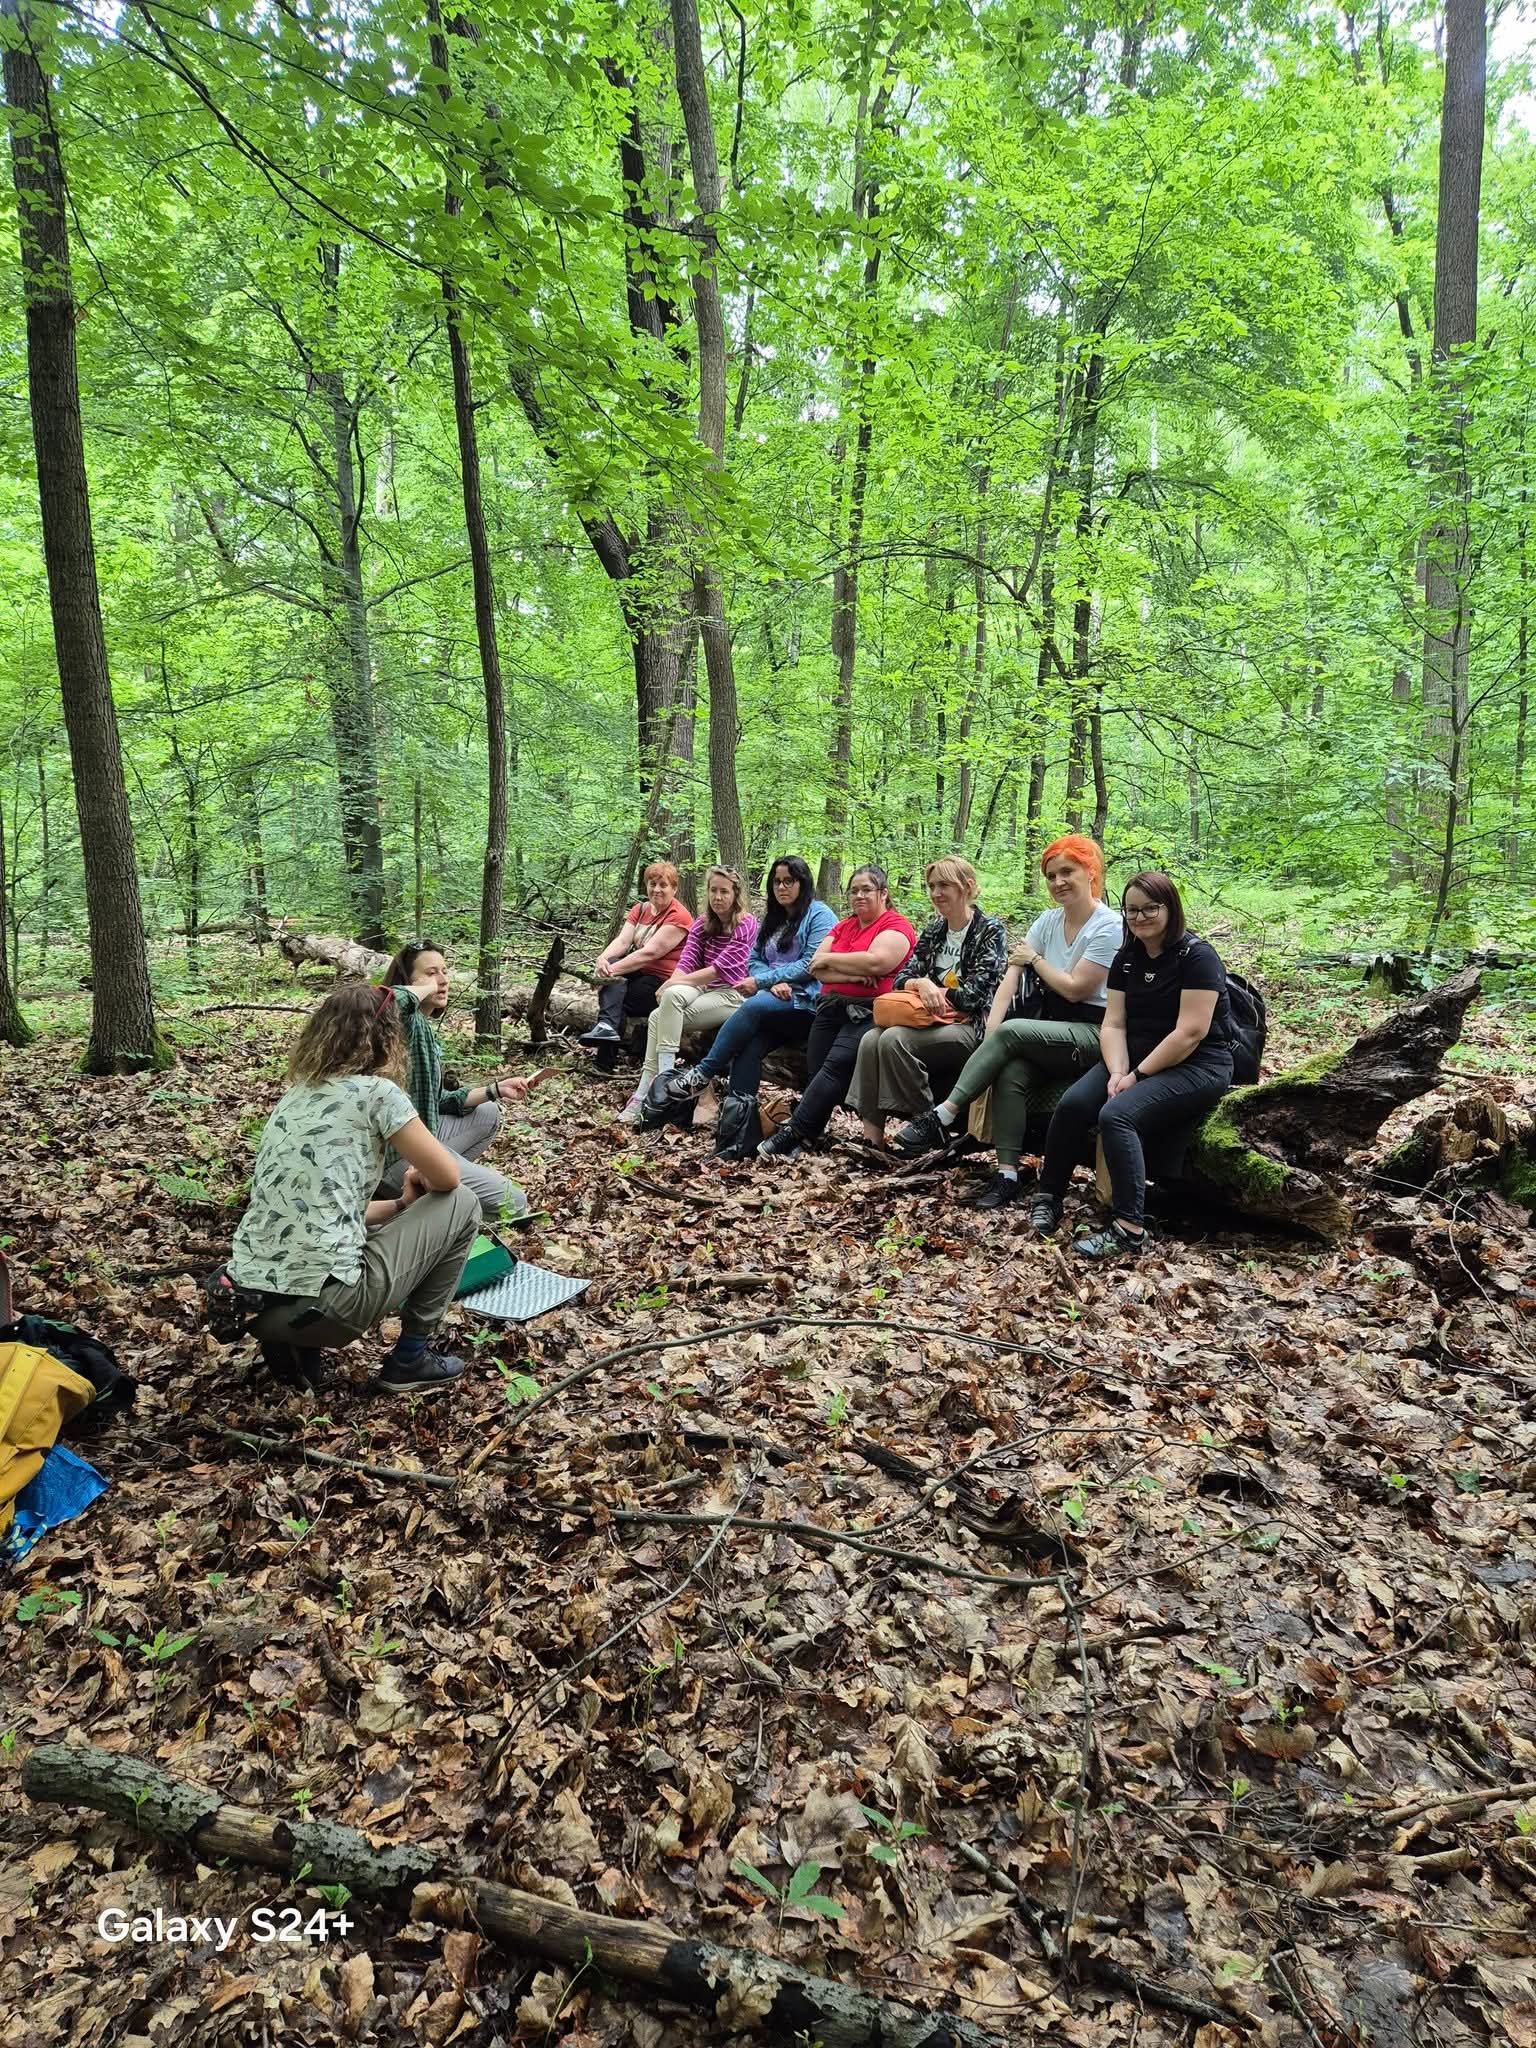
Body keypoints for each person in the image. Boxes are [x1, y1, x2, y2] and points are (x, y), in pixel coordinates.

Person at [229, 983, 481, 1392]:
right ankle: (412, 1357)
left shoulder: (295, 1096)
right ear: (387, 1037)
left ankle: (294, 1343)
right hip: (331, 1308)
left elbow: (324, 1211)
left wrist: (402, 1205)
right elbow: (447, 1179)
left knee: (318, 1235)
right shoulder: (379, 1093)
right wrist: (421, 1184)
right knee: (463, 1201)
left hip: (255, 1307)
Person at [892, 835, 1123, 1208]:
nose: (1058, 882)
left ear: (1090, 871)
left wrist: (1035, 961)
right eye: (1051, 875)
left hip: (1095, 1031)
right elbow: (1009, 979)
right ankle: (1008, 1174)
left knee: (1014, 1034)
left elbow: (1077, 988)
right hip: (1048, 1028)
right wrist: (992, 1034)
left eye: (1068, 872)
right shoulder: (1048, 921)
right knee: (1010, 1070)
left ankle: (943, 1114)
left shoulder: (1109, 926)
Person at [1031, 871, 1235, 1256]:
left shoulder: (1198, 957)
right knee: (1074, 1105)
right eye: (1132, 911)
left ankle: (1130, 1228)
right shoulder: (1127, 957)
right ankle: (1049, 1196)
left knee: (1117, 1115)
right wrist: (1119, 1071)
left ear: (1169, 908)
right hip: (1135, 1056)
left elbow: (1190, 1033)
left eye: (1149, 909)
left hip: (1199, 1063)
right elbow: (1114, 1022)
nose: (1139, 918)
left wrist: (1137, 1077)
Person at [847, 856, 1006, 1150]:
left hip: (971, 1025)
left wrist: (939, 994)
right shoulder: (935, 929)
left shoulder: (990, 931)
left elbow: (976, 995)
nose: (936, 893)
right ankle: (872, 1140)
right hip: (929, 1019)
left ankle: (929, 1126)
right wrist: (921, 984)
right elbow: (903, 977)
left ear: (967, 887)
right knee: (870, 1040)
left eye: (944, 885)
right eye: (932, 886)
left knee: (894, 1039)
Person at [758, 866, 916, 1161]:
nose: (859, 895)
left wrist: (832, 960)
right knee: (817, 1070)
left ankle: (792, 1133)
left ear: (883, 893)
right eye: (854, 890)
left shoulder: (896, 926)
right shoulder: (845, 926)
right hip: (831, 1007)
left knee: (836, 1064)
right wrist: (852, 975)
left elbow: (877, 962)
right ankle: (806, 1139)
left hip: (869, 1010)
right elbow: (816, 968)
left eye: (867, 889)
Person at [666, 856, 836, 1112]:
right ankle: (738, 1119)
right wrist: (770, 983)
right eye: (776, 882)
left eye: (789, 881)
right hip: (773, 1001)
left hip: (805, 1002)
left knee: (754, 1005)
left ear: (803, 883)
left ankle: (702, 1073)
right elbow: (753, 959)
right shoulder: (773, 918)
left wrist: (764, 982)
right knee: (749, 1047)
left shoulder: (820, 916)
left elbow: (810, 965)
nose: (781, 887)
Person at [377, 940, 530, 1220]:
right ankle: (426, 1204)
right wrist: (427, 988)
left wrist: (496, 1089)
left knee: (487, 1112)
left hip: (421, 1134)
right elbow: (388, 997)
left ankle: (435, 1182)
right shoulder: (400, 1019)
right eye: (431, 973)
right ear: (409, 981)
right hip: (395, 1154)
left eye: (445, 971)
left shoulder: (422, 1026)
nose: (443, 980)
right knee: (514, 1204)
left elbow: (437, 1102)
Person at [619, 867, 759, 1123]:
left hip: (732, 994)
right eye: (713, 890)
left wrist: (673, 983)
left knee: (658, 1017)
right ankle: (658, 1084)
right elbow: (687, 960)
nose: (718, 897)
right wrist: (672, 983)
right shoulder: (702, 923)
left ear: (736, 894)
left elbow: (718, 970)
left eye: (724, 891)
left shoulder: (747, 924)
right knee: (660, 1012)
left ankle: (656, 1090)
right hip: (702, 989)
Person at [579, 862, 694, 1074]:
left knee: (617, 997)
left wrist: (608, 974)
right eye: (652, 884)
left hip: (663, 983)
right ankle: (605, 1035)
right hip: (639, 974)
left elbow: (650, 953)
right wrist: (602, 960)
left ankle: (604, 1059)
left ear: (674, 889)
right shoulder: (639, 909)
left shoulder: (679, 916)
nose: (657, 889)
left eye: (663, 885)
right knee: (614, 976)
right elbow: (622, 942)